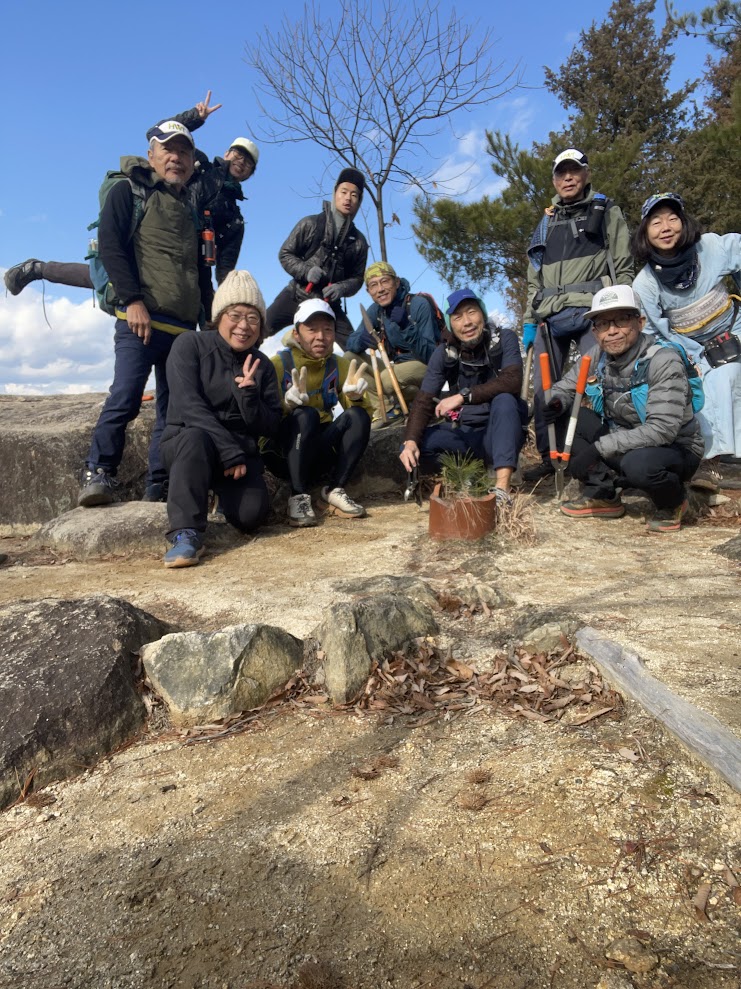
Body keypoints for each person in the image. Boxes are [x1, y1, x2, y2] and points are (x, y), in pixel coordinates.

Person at [4, 92, 258, 302]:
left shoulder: (235, 219)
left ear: (251, 173)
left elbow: (225, 269)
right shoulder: (196, 163)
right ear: (226, 153)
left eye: (248, 162)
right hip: (153, 232)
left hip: (186, 261)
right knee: (107, 276)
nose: (241, 162)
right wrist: (194, 118)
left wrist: (228, 300)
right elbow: (157, 135)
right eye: (238, 154)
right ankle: (38, 269)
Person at [77, 120, 213, 507]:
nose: (176, 158)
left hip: (183, 326)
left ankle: (160, 483)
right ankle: (99, 471)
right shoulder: (127, 190)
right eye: (168, 150)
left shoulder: (192, 206)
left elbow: (201, 267)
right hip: (140, 319)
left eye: (184, 152)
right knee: (125, 396)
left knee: (172, 410)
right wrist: (132, 300)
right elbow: (110, 246)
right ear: (151, 154)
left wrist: (208, 317)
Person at [546, 285, 704, 533]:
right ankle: (604, 493)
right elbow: (567, 387)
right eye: (603, 323)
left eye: (622, 319)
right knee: (562, 416)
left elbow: (662, 430)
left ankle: (673, 501)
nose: (612, 331)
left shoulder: (663, 360)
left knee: (639, 465)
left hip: (674, 448)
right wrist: (556, 402)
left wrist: (598, 449)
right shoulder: (596, 355)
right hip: (622, 439)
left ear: (639, 322)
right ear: (595, 331)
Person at [522, 148, 633, 483]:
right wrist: (529, 319)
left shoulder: (606, 210)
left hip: (593, 310)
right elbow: (534, 276)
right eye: (561, 173)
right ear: (554, 179)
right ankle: (549, 456)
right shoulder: (547, 220)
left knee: (595, 383)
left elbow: (624, 264)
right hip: (549, 313)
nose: (567, 178)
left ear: (585, 174)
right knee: (545, 389)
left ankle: (599, 455)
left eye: (574, 171)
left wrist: (622, 308)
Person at [160, 270, 282, 567]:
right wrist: (229, 451)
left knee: (250, 517)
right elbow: (188, 405)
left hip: (238, 458)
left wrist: (250, 397)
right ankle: (185, 533)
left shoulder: (262, 365)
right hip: (188, 445)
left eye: (253, 318)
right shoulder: (190, 345)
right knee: (195, 437)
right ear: (219, 316)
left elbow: (271, 425)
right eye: (235, 315)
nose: (244, 326)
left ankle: (215, 494)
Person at [632, 192, 741, 490]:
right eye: (655, 222)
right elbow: (654, 332)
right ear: (645, 233)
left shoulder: (711, 247)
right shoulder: (644, 283)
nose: (665, 227)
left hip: (735, 328)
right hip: (692, 349)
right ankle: (713, 464)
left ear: (683, 221)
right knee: (706, 387)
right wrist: (687, 355)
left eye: (671, 218)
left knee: (733, 374)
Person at [399, 288, 526, 505]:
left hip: (501, 431)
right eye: (457, 317)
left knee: (504, 399)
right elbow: (424, 400)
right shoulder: (444, 353)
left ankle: (501, 488)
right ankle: (470, 473)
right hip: (466, 433)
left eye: (471, 312)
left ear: (483, 315)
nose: (466, 322)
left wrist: (462, 397)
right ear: (450, 324)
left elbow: (512, 380)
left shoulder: (504, 338)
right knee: (416, 446)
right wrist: (410, 442)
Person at [263, 299, 372, 527]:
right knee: (306, 415)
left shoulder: (339, 365)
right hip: (283, 453)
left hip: (318, 450)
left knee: (358, 415)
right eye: (311, 329)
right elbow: (260, 419)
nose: (320, 337)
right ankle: (298, 496)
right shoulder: (277, 364)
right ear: (296, 333)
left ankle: (334, 489)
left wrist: (356, 399)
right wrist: (286, 406)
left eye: (327, 329)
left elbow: (364, 417)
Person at [265, 169, 369, 349]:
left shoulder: (359, 241)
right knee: (259, 329)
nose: (348, 198)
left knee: (355, 348)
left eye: (354, 195)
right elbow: (285, 253)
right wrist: (306, 271)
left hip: (329, 305)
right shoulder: (310, 223)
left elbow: (358, 278)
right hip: (297, 294)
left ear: (359, 201)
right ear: (335, 193)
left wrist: (341, 288)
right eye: (343, 192)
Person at [344, 262, 442, 426]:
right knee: (350, 357)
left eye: (385, 281)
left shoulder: (418, 304)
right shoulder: (376, 311)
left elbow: (431, 355)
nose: (380, 289)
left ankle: (421, 403)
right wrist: (360, 341)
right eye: (373, 285)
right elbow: (351, 342)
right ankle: (389, 409)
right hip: (396, 369)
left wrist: (406, 326)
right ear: (369, 292)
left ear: (396, 282)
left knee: (387, 379)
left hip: (425, 367)